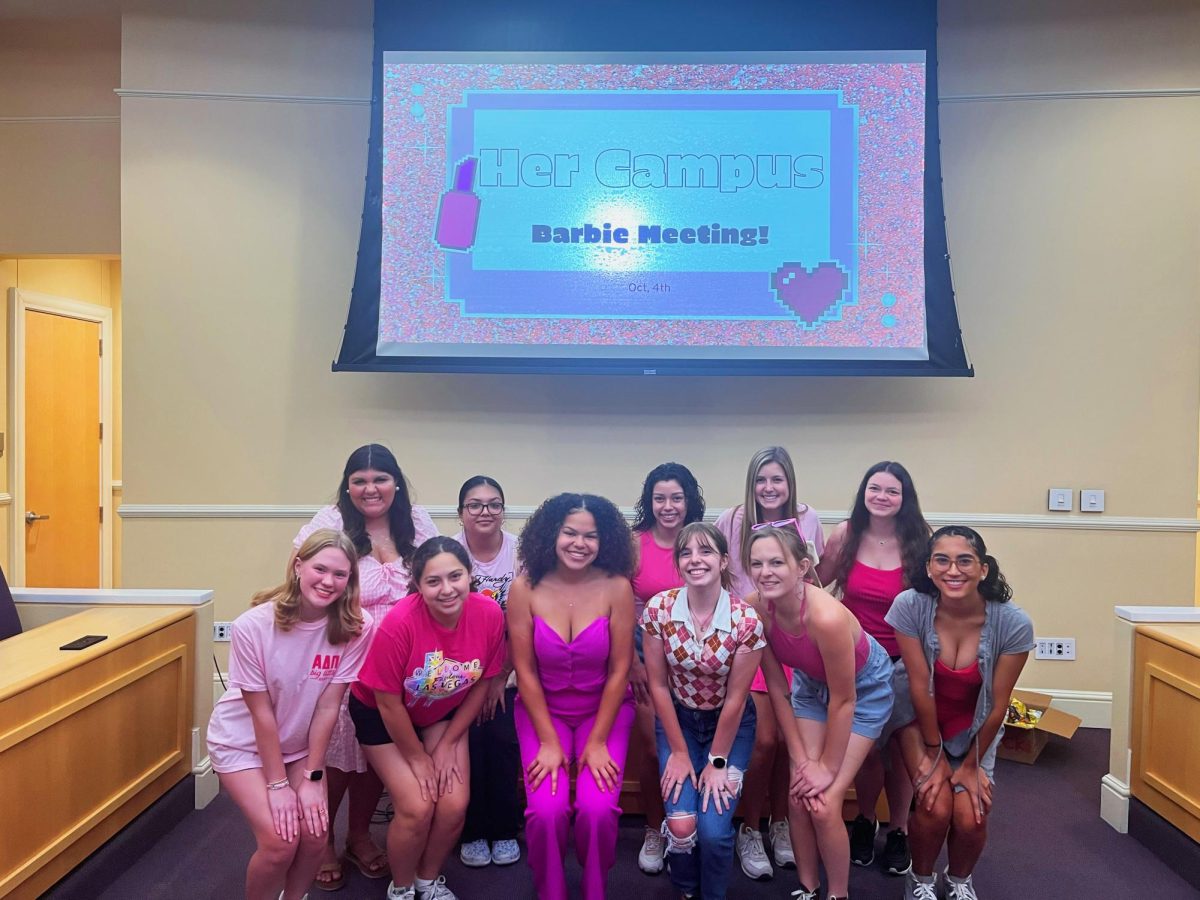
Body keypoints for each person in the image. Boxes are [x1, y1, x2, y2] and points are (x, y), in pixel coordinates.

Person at [295, 444, 438, 890]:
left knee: (377, 755)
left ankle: (359, 837)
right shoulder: (330, 522)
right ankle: (323, 843)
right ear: (348, 485)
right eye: (359, 479)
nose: (370, 488)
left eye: (380, 479)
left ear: (396, 482)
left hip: (402, 666)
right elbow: (306, 584)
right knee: (335, 756)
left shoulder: (416, 522)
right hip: (341, 659)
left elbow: (435, 578)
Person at [207, 530, 372, 900]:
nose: (328, 582)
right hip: (243, 744)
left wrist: (313, 776)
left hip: (298, 747)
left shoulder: (355, 628)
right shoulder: (253, 625)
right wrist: (278, 786)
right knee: (281, 843)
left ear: (350, 581)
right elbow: (261, 713)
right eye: (320, 569)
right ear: (298, 566)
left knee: (315, 837)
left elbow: (330, 707)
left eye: (340, 574)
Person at [349, 536, 506, 900]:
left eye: (456, 576)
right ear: (418, 585)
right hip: (381, 715)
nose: (447, 589)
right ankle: (401, 888)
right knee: (417, 806)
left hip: (441, 712)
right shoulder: (400, 622)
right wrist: (419, 758)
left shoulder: (489, 613)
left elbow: (482, 681)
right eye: (434, 581)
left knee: (453, 805)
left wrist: (449, 742)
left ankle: (427, 879)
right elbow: (387, 703)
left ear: (470, 576)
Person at [749, 525, 894, 900]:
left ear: (802, 567)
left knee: (826, 803)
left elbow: (845, 701)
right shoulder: (756, 608)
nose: (766, 572)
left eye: (777, 562)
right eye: (757, 563)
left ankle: (838, 895)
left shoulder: (826, 618)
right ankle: (809, 887)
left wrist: (826, 769)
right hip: (811, 687)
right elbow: (779, 689)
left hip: (864, 692)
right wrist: (801, 760)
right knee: (799, 793)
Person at [887, 527, 1033, 900]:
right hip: (916, 721)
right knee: (934, 806)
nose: (954, 570)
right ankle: (920, 880)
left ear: (983, 569)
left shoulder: (1013, 623)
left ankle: (958, 880)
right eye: (942, 560)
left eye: (964, 560)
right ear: (929, 567)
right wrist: (935, 754)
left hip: (974, 727)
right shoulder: (909, 606)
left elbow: (999, 703)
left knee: (972, 815)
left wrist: (972, 763)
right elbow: (918, 686)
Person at [507, 493, 636, 900]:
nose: (580, 543)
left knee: (597, 813)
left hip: (607, 712)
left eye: (591, 536)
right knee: (546, 811)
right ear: (552, 534)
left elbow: (620, 671)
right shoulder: (524, 589)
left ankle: (595, 886)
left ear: (605, 541)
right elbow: (524, 671)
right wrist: (547, 741)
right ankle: (551, 890)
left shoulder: (617, 587)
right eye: (570, 533)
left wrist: (597, 742)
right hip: (542, 712)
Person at [816, 461, 931, 875]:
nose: (882, 497)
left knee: (899, 751)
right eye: (875, 488)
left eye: (892, 491)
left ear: (905, 498)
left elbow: (931, 603)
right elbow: (816, 582)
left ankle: (899, 829)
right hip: (856, 661)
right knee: (863, 752)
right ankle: (865, 820)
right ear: (864, 492)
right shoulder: (845, 535)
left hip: (905, 661)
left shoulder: (921, 540)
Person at [715, 446, 824, 879]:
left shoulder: (808, 516)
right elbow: (720, 574)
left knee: (787, 743)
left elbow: (813, 576)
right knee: (764, 741)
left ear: (789, 482)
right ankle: (750, 828)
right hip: (750, 639)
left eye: (777, 479)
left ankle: (782, 825)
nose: (769, 488)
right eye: (761, 480)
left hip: (795, 638)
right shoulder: (734, 519)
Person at [643, 522, 765, 900]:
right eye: (686, 553)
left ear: (724, 560)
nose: (695, 560)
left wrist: (716, 761)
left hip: (728, 727)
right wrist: (679, 752)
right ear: (678, 563)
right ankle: (686, 891)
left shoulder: (746, 621)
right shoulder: (658, 609)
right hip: (678, 720)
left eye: (706, 551)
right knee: (681, 826)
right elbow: (659, 687)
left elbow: (734, 700)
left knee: (713, 829)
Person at [629, 462, 707, 875]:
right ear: (649, 501)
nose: (668, 506)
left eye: (676, 497)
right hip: (646, 651)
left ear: (689, 499)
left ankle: (693, 828)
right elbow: (619, 606)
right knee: (650, 746)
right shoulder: (634, 544)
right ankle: (653, 828)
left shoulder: (702, 540)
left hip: (701, 655)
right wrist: (631, 662)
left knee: (696, 742)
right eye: (660, 498)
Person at [451, 476, 523, 868]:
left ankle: (504, 828)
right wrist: (475, 680)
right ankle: (472, 829)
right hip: (456, 675)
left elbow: (522, 624)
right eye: (475, 505)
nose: (485, 512)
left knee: (501, 740)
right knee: (467, 746)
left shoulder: (520, 553)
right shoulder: (448, 553)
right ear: (461, 513)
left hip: (506, 674)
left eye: (494, 504)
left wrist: (498, 678)